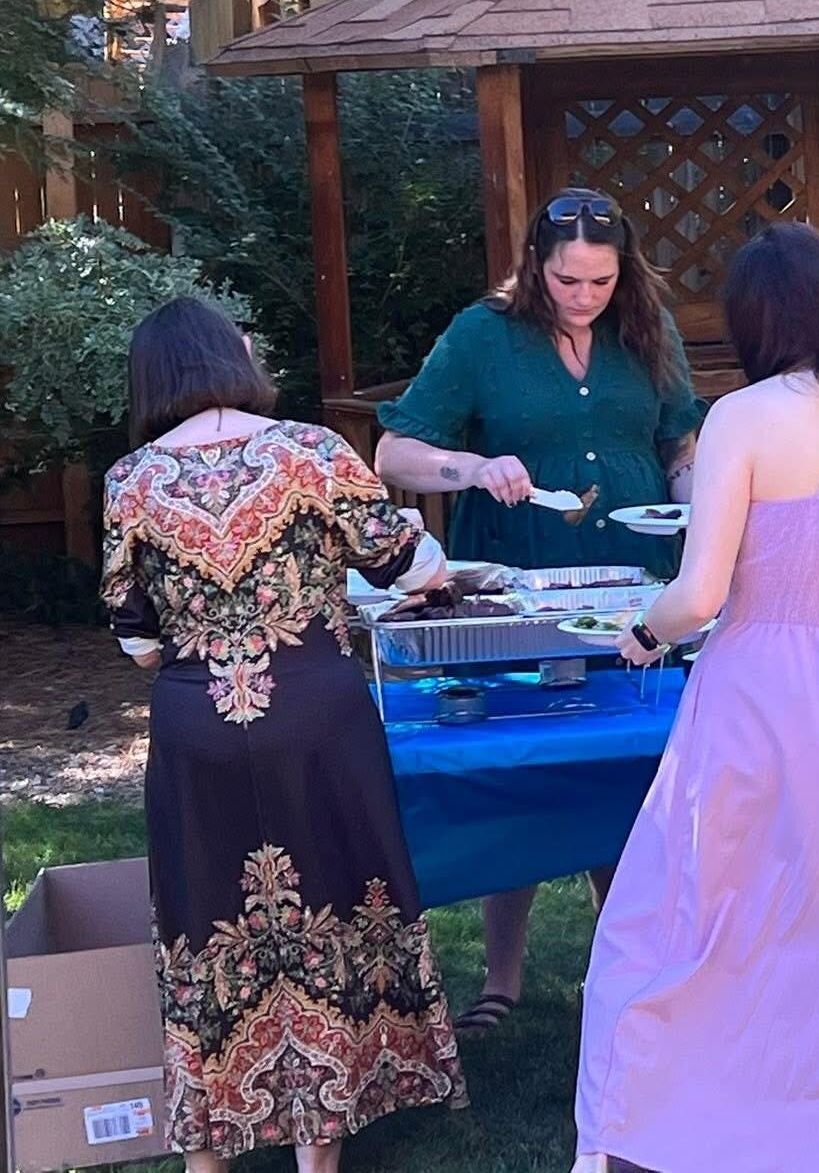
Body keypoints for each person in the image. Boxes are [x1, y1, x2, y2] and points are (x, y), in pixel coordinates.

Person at [571, 222, 819, 1173]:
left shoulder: (743, 418)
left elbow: (699, 594)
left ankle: (713, 1107)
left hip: (764, 692)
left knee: (707, 913)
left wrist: (640, 632)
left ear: (754, 319)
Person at [100, 297, 466, 1171]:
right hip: (315, 709)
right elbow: (412, 565)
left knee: (207, 920)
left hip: (198, 719)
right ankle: (318, 1148)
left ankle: (209, 1151)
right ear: (234, 357)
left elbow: (138, 640)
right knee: (337, 906)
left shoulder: (131, 480)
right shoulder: (310, 449)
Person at [374, 187, 706, 1032]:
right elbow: (396, 450)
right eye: (568, 280)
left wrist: (697, 507)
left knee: (623, 765)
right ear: (535, 265)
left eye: (600, 280)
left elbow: (679, 443)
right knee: (517, 766)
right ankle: (502, 979)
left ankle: (626, 970)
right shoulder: (485, 334)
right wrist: (473, 469)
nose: (585, 296)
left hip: (635, 578)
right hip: (519, 582)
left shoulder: (647, 326)